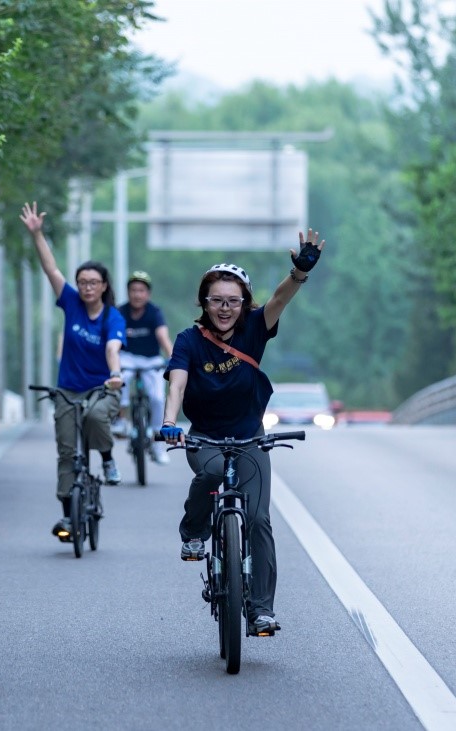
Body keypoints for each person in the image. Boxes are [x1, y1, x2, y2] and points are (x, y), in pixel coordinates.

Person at [159, 228, 326, 638]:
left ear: (245, 303)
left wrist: (299, 272)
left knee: (258, 519)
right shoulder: (188, 341)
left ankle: (261, 611)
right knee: (212, 474)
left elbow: (282, 298)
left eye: (234, 301)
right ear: (204, 302)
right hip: (205, 437)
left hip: (250, 437)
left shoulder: (255, 326)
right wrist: (169, 422)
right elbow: (177, 383)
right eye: (217, 300)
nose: (225, 308)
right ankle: (194, 531)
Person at [19, 202, 126, 542]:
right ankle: (67, 516)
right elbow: (51, 269)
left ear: (104, 286)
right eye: (82, 282)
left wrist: (115, 374)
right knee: (67, 453)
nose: (86, 287)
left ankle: (108, 459)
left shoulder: (112, 317)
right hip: (67, 389)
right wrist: (37, 234)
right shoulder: (70, 303)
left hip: (102, 388)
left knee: (96, 417)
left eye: (93, 282)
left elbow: (113, 348)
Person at [118, 270, 174, 463]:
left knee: (158, 398)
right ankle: (121, 419)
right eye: (133, 290)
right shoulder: (120, 312)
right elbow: (113, 340)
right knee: (121, 379)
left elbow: (163, 337)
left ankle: (158, 445)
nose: (137, 294)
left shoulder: (154, 312)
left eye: (141, 290)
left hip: (151, 359)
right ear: (128, 292)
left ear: (147, 293)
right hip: (127, 358)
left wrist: (173, 359)